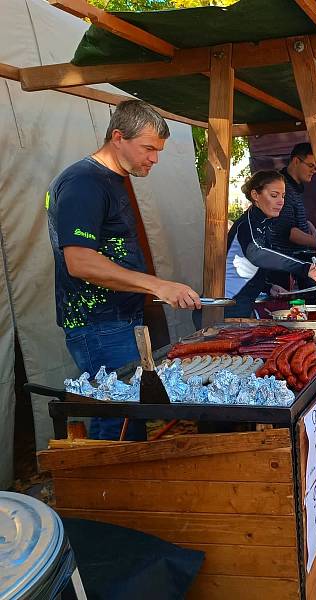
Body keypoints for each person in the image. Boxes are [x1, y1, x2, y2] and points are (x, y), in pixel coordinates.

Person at [46, 99, 202, 440]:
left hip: (116, 322)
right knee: (117, 422)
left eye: (158, 150)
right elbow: (80, 261)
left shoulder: (111, 180)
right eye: (148, 148)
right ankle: (107, 492)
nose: (154, 159)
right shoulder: (84, 182)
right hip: (98, 325)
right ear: (118, 137)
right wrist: (157, 286)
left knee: (127, 418)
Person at [224, 170, 316, 318]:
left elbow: (246, 267)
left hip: (241, 303)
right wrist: (306, 268)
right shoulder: (246, 224)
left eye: (283, 196)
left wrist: (268, 287)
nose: (281, 201)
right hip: (228, 305)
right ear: (255, 195)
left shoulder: (263, 223)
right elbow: (256, 254)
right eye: (274, 195)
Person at [273, 142, 316, 254]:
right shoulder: (282, 187)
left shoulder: (294, 187)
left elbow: (289, 219)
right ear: (296, 161)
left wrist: (305, 223)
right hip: (284, 261)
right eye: (311, 165)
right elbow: (288, 232)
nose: (314, 171)